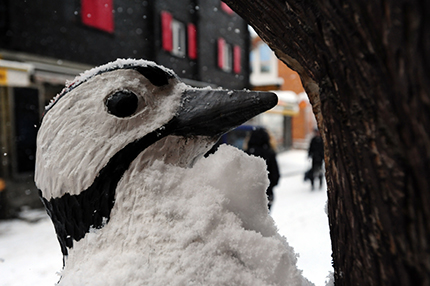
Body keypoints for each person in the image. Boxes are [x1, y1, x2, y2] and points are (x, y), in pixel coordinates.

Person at [245, 127, 280, 211]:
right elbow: (276, 176)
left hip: (248, 196)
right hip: (266, 195)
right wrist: (269, 186)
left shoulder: (246, 154)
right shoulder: (270, 153)